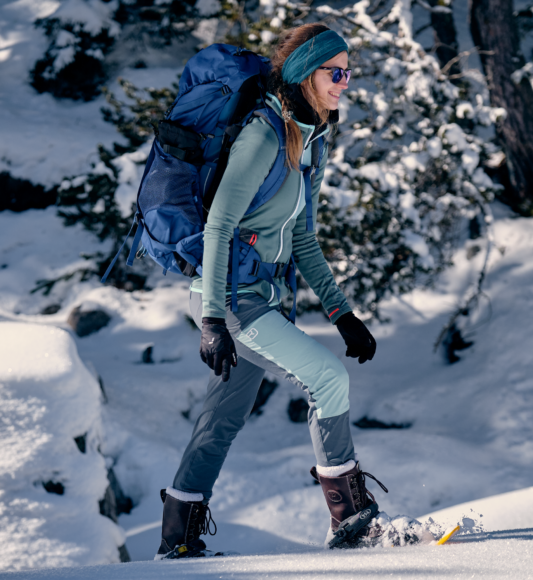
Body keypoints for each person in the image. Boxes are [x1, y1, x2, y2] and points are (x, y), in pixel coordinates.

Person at [156, 23, 386, 558]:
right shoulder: (263, 132)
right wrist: (213, 320)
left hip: (263, 296)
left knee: (223, 419)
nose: (345, 83)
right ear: (308, 72)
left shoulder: (310, 140)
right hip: (232, 297)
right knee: (327, 378)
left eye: (349, 72)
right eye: (336, 72)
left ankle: (177, 543)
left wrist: (342, 312)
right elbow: (218, 226)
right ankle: (351, 521)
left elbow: (301, 235)